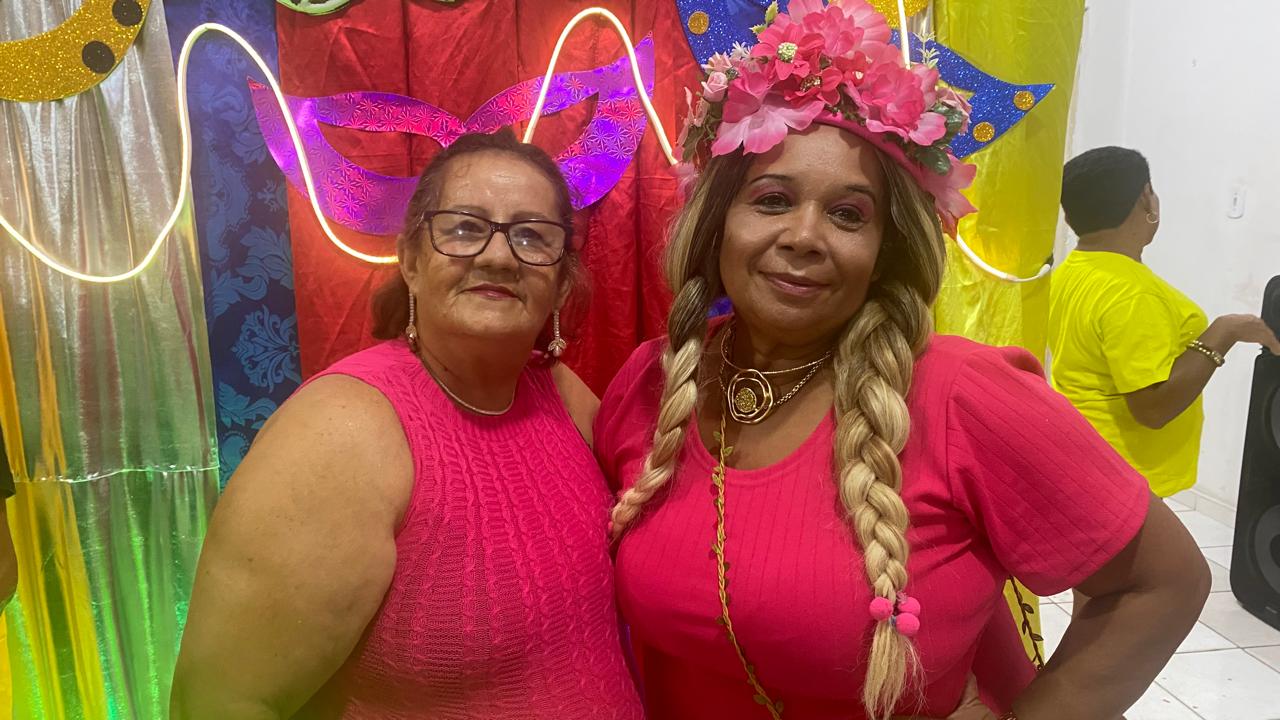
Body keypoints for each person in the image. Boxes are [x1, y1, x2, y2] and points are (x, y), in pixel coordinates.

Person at [595, 2, 1209, 719]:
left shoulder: (961, 394)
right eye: (772, 199)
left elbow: (1162, 582)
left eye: (848, 214)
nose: (804, 236)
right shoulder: (650, 381)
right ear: (718, 221)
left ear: (886, 250)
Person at [171, 129, 643, 719]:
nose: (499, 257)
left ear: (562, 280)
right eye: (465, 228)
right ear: (412, 262)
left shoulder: (563, 397)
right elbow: (220, 702)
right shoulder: (342, 432)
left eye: (531, 235)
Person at [1052, 146, 1280, 498]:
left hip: (1084, 453)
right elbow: (1153, 408)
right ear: (1147, 199)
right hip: (1124, 474)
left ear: (1069, 218)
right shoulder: (1132, 293)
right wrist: (1225, 331)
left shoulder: (1069, 272)